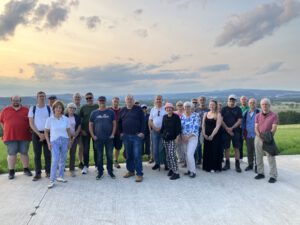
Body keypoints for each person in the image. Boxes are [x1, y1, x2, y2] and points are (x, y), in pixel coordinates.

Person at [0, 95, 32, 179]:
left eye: (17, 100)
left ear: (20, 101)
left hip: (24, 135)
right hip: (10, 136)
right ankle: (11, 171)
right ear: (11, 100)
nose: (16, 101)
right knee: (11, 154)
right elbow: (1, 121)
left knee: (24, 153)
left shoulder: (26, 110)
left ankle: (26, 169)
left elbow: (31, 122)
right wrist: (6, 130)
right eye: (14, 100)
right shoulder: (5, 110)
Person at [45, 100, 71, 189]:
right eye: (56, 107)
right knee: (55, 159)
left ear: (62, 109)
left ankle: (60, 176)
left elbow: (68, 131)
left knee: (63, 159)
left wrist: (69, 141)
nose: (58, 109)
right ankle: (52, 179)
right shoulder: (50, 119)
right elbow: (46, 132)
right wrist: (48, 142)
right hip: (54, 141)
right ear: (54, 109)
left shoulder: (66, 119)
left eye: (60, 107)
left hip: (64, 140)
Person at [119, 95, 145, 182]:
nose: (129, 101)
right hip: (126, 136)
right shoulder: (122, 110)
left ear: (133, 101)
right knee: (129, 155)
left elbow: (143, 121)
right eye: (128, 99)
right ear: (125, 101)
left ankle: (139, 174)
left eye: (131, 99)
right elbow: (119, 122)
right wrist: (121, 132)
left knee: (137, 155)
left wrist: (142, 132)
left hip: (136, 136)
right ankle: (130, 171)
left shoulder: (138, 109)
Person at [89, 96, 116, 180]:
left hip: (109, 138)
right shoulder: (94, 113)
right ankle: (100, 172)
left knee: (110, 156)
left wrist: (113, 134)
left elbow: (114, 124)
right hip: (98, 139)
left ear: (105, 101)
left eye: (103, 101)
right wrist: (93, 135)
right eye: (100, 101)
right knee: (99, 156)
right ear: (98, 102)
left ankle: (110, 171)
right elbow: (90, 125)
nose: (101, 102)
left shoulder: (111, 112)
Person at [28, 91, 52, 181]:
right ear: (37, 98)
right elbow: (31, 123)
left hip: (47, 133)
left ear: (45, 97)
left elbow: (51, 122)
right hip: (36, 133)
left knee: (47, 154)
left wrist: (45, 133)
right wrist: (39, 134)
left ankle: (48, 172)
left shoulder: (49, 108)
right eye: (40, 96)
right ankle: (38, 173)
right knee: (37, 155)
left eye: (43, 96)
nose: (41, 97)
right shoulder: (32, 108)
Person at [254, 98, 279, 183]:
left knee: (270, 157)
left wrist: (268, 137)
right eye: (263, 104)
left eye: (266, 104)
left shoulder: (274, 115)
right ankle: (260, 173)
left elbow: (274, 128)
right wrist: (260, 136)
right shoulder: (257, 115)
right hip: (258, 138)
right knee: (258, 156)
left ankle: (273, 175)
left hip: (268, 138)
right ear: (261, 106)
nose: (264, 106)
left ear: (269, 105)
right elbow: (256, 127)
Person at [221, 95, 243, 173]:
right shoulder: (224, 109)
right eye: (230, 100)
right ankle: (227, 164)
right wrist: (227, 128)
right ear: (228, 100)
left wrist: (232, 128)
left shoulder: (238, 109)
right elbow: (221, 120)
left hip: (236, 131)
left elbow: (239, 120)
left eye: (233, 100)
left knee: (236, 148)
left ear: (235, 101)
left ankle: (237, 165)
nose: (232, 101)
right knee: (226, 148)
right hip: (225, 131)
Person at [160, 103, 182, 180]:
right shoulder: (164, 117)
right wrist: (162, 135)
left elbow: (179, 128)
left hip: (173, 139)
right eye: (167, 108)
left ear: (172, 109)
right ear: (165, 109)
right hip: (165, 139)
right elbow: (163, 127)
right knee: (168, 155)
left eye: (170, 108)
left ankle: (176, 172)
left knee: (172, 155)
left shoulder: (176, 117)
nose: (168, 109)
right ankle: (171, 169)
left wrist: (177, 137)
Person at [79, 92, 98, 174]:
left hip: (96, 131)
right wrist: (81, 130)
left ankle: (97, 165)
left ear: (93, 98)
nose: (89, 99)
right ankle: (86, 166)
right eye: (87, 98)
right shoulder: (83, 107)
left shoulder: (97, 106)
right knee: (86, 150)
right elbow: (79, 120)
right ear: (85, 99)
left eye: (90, 98)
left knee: (96, 149)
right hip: (85, 132)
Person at [202, 100, 223, 172]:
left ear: (216, 106)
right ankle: (207, 167)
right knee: (207, 151)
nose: (211, 106)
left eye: (213, 105)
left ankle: (214, 167)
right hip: (206, 135)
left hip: (215, 136)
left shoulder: (218, 114)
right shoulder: (206, 114)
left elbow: (217, 126)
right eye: (210, 104)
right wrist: (204, 134)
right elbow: (203, 125)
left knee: (214, 151)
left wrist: (212, 135)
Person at [181, 101, 199, 178]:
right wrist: (182, 136)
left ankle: (193, 171)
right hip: (184, 138)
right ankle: (189, 170)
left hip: (192, 138)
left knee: (189, 154)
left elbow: (196, 128)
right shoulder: (182, 116)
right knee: (186, 154)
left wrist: (188, 137)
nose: (187, 108)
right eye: (186, 107)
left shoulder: (195, 116)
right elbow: (180, 128)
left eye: (188, 106)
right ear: (184, 108)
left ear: (191, 108)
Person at [149, 95, 166, 171]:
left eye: (160, 99)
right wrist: (155, 128)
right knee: (155, 149)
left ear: (162, 100)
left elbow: (167, 120)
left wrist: (161, 128)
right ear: (155, 100)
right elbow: (150, 120)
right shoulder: (153, 109)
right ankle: (157, 163)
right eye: (157, 99)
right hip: (155, 132)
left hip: (163, 131)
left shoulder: (165, 109)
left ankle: (166, 163)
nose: (158, 100)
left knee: (163, 148)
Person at [243, 98, 260, 172]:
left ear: (256, 104)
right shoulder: (246, 113)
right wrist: (243, 134)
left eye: (253, 102)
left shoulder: (259, 112)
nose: (252, 104)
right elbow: (243, 124)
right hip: (248, 135)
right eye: (250, 103)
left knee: (257, 152)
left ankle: (258, 166)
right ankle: (250, 165)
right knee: (249, 151)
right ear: (248, 104)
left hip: (257, 135)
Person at [65, 103, 81, 177]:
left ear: (75, 110)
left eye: (73, 108)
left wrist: (75, 134)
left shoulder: (77, 117)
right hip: (65, 137)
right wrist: (70, 135)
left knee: (72, 153)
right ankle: (62, 168)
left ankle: (71, 169)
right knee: (63, 153)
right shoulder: (64, 117)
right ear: (67, 109)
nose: (71, 109)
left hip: (74, 137)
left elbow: (79, 126)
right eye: (70, 108)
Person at [195, 96, 209, 165]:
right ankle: (199, 159)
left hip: (207, 129)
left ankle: (207, 158)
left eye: (203, 100)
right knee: (198, 145)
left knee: (207, 144)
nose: (202, 101)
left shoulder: (208, 110)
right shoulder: (195, 110)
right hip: (198, 129)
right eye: (200, 100)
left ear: (205, 100)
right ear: (198, 101)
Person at [110, 97, 123, 169]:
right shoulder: (109, 110)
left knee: (118, 148)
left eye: (117, 101)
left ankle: (116, 161)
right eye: (114, 101)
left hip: (119, 133)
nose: (116, 103)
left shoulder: (121, 110)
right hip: (111, 133)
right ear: (112, 102)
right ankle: (110, 163)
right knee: (110, 148)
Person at [73, 93, 84, 169]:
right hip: (71, 132)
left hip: (80, 132)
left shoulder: (83, 107)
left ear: (80, 98)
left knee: (81, 147)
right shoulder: (69, 107)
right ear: (73, 98)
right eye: (76, 97)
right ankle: (71, 164)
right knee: (71, 149)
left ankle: (80, 162)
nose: (77, 98)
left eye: (78, 97)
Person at [239, 96, 249, 161]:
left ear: (247, 100)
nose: (243, 100)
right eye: (242, 99)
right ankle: (240, 157)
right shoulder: (238, 108)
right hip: (240, 128)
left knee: (249, 144)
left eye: (245, 99)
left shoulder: (250, 108)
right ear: (240, 101)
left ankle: (250, 157)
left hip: (248, 129)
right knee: (240, 143)